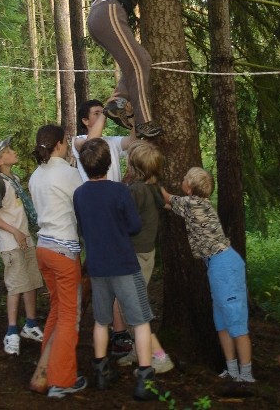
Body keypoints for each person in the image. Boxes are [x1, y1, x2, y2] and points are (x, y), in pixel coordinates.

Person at [73, 138, 160, 401]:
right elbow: (133, 226)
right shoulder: (120, 191)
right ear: (109, 163)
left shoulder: (79, 193)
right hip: (123, 263)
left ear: (85, 166)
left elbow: (81, 228)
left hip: (97, 265)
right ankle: (145, 379)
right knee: (141, 320)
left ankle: (100, 372)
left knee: (101, 320)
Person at [161, 167, 256, 383]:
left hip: (225, 266)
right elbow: (167, 205)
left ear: (191, 186)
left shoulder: (192, 203)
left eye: (184, 178)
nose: (182, 180)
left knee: (236, 321)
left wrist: (149, 180)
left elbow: (165, 197)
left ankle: (247, 375)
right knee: (221, 322)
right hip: (216, 265)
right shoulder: (196, 205)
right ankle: (232, 371)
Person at [87, 0, 185, 139]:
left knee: (142, 59)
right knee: (139, 63)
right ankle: (144, 123)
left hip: (97, 15)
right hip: (110, 12)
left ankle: (117, 102)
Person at [73, 98, 136, 357]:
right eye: (96, 114)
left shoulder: (111, 141)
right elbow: (91, 141)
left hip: (117, 212)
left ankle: (119, 332)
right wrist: (108, 111)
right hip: (95, 215)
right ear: (86, 120)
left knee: (116, 274)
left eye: (102, 112)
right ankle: (103, 328)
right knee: (105, 275)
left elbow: (133, 140)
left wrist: (131, 118)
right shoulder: (78, 141)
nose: (102, 116)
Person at [28, 125, 87, 399]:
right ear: (61, 144)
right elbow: (82, 205)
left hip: (44, 249)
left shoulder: (35, 176)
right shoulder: (68, 173)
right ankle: (61, 380)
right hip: (64, 251)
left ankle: (47, 369)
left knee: (56, 309)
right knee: (68, 316)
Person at [118, 140, 174, 374]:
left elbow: (126, 221)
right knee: (125, 305)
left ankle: (160, 356)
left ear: (133, 166)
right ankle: (139, 349)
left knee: (135, 307)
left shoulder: (136, 191)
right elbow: (166, 203)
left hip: (135, 255)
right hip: (145, 253)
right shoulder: (152, 186)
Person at [0, 137, 44, 356]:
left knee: (30, 282)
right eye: (8, 151)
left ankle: (30, 324)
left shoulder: (14, 179)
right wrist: (15, 231)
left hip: (25, 239)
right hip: (11, 243)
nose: (13, 152)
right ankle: (11, 332)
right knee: (15, 286)